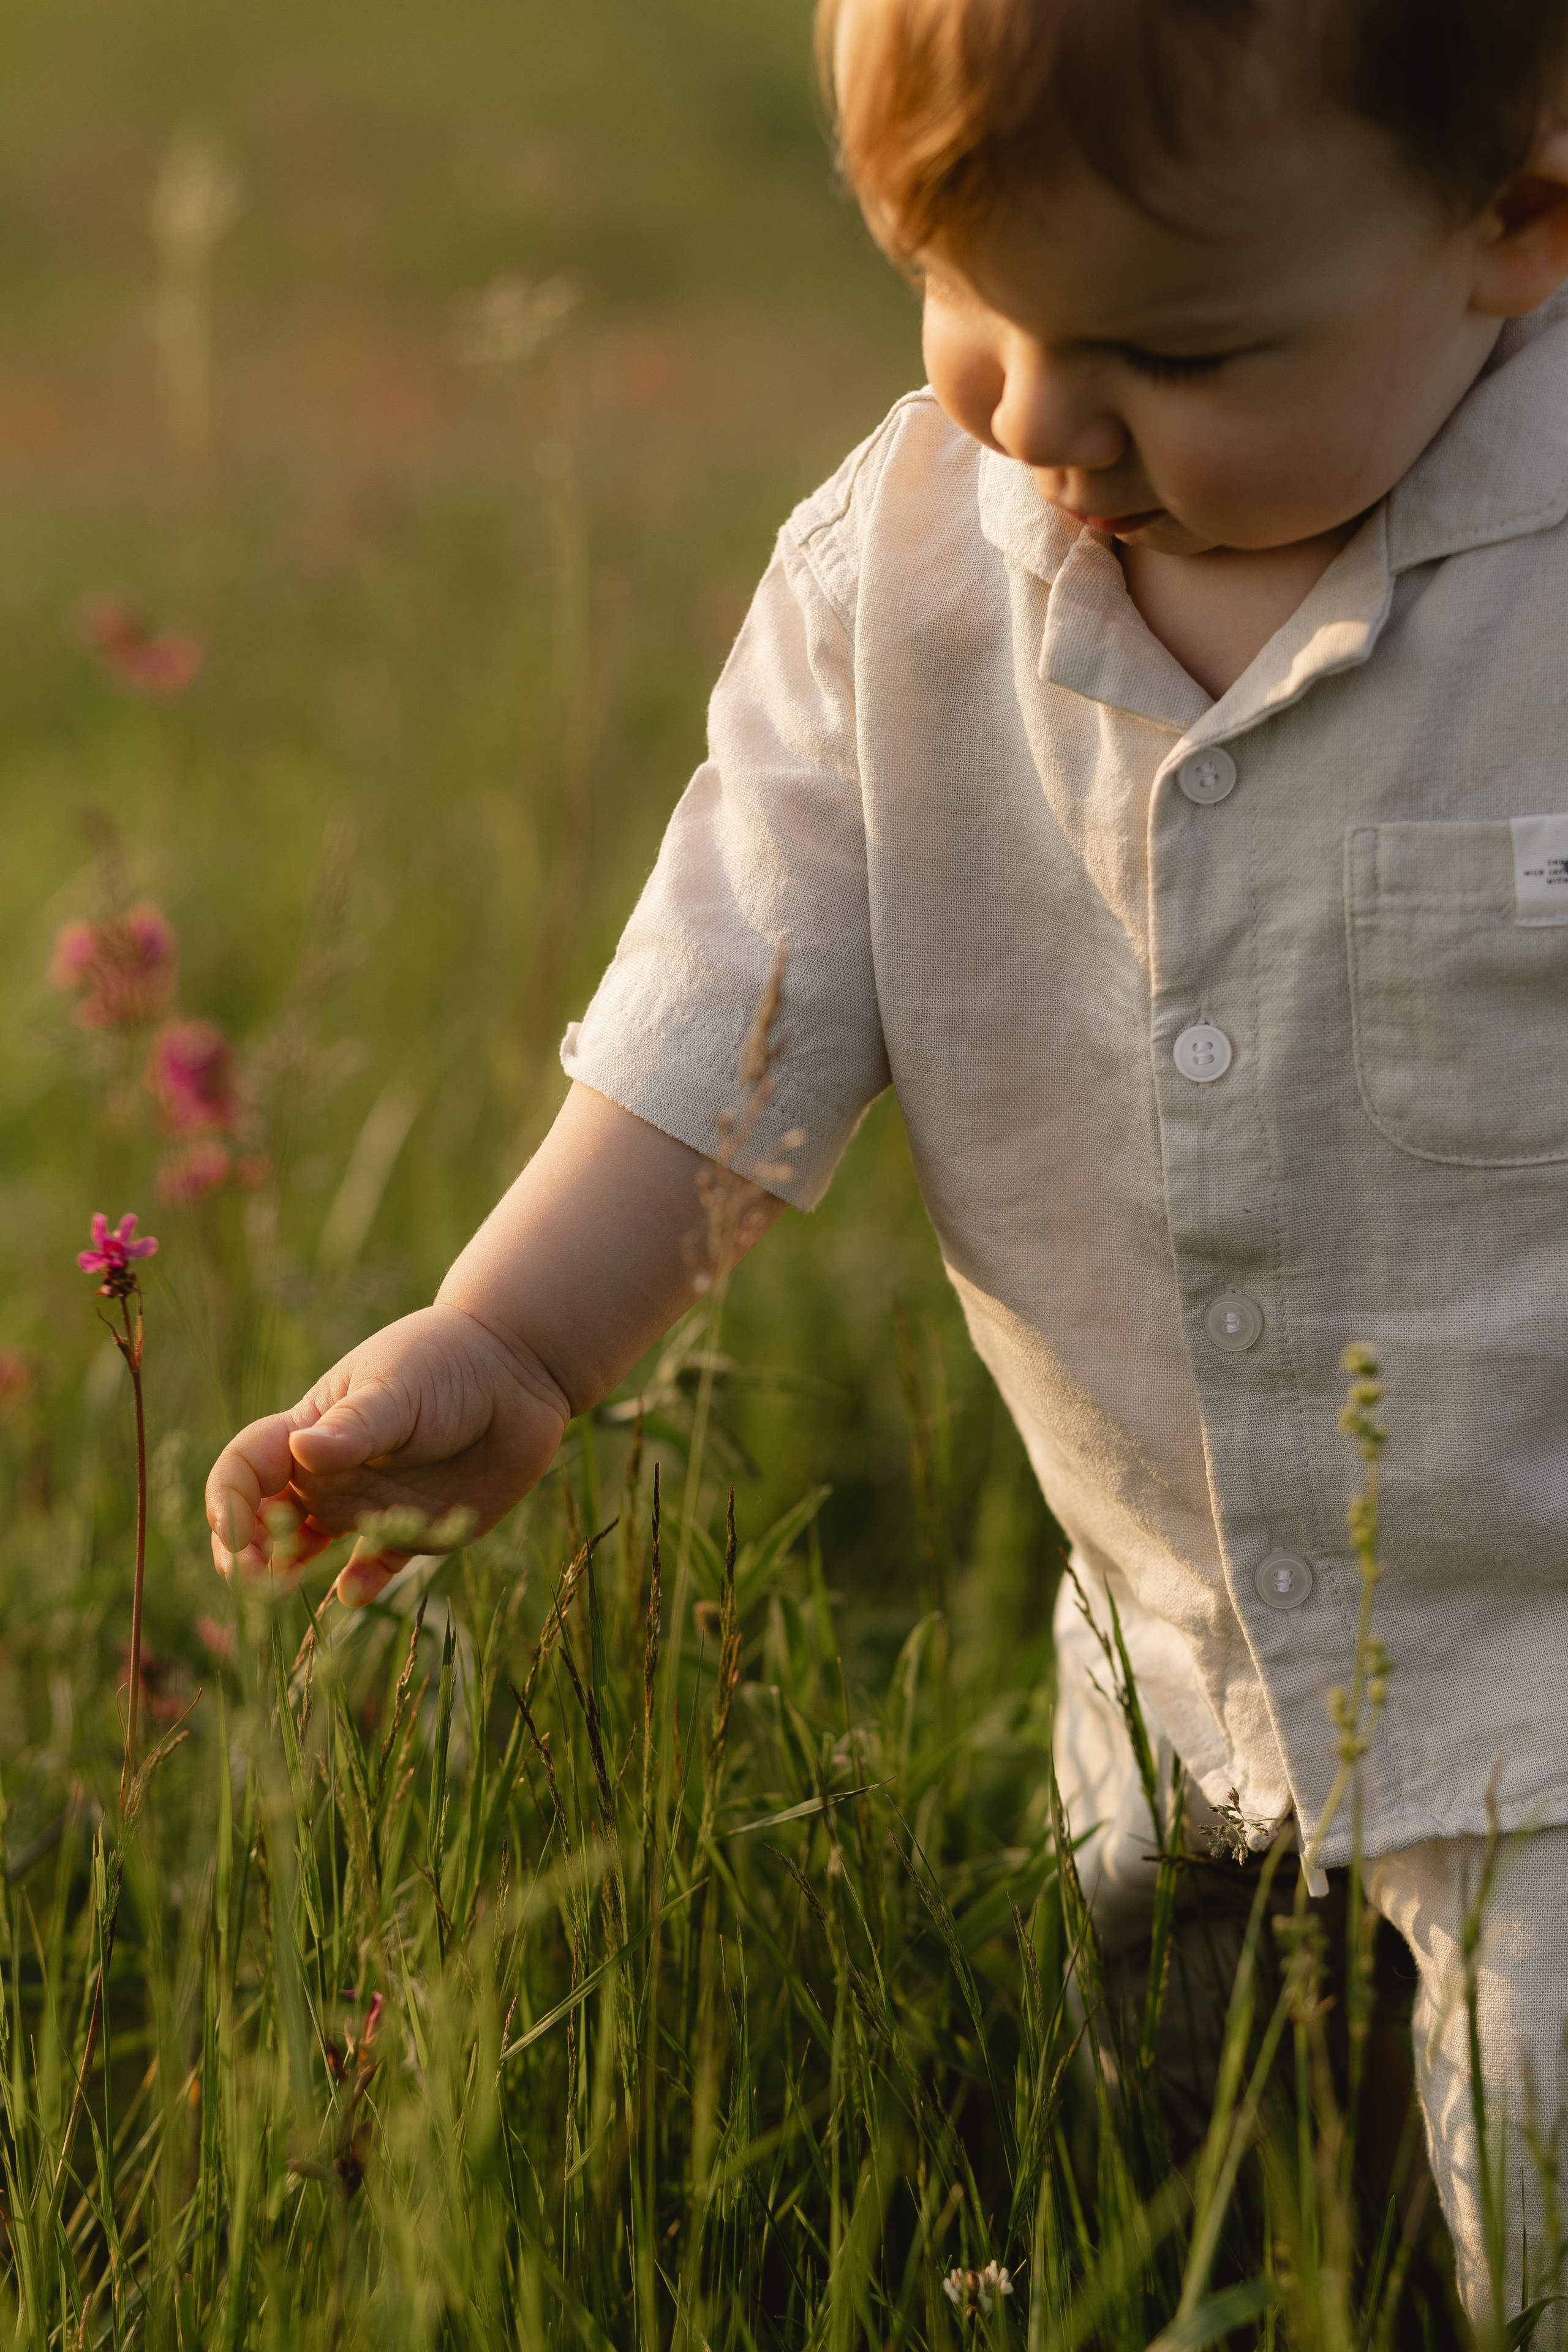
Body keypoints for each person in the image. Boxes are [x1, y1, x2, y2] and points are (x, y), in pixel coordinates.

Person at [208, 0, 1568, 2318]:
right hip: (1169, 1691)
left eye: (1173, 347)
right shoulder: (905, 579)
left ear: (1513, 235)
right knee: (1201, 2228)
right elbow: (723, 1010)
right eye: (966, 300)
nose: (1036, 415)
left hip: (1548, 1704)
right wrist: (516, 1337)